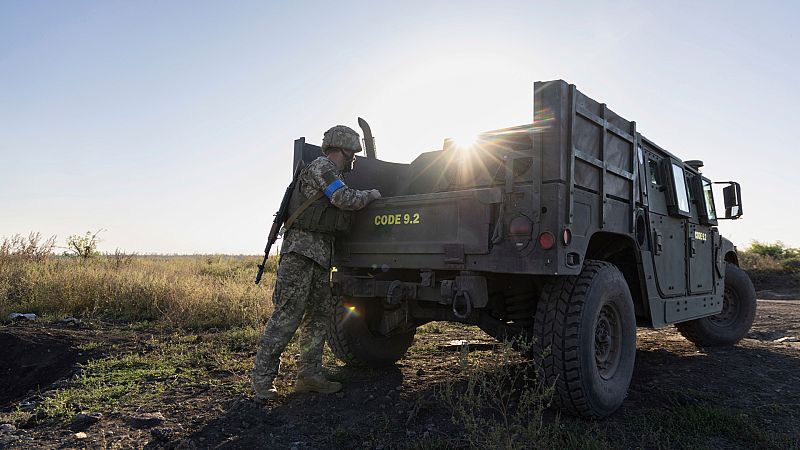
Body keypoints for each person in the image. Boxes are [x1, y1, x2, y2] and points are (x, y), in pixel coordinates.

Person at [252, 125, 381, 401]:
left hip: (320, 254)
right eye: (352, 153)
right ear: (343, 149)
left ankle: (309, 375)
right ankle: (262, 381)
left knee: (318, 317)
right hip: (301, 253)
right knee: (287, 316)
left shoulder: (326, 170)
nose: (354, 159)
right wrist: (371, 195)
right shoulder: (322, 168)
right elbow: (342, 198)